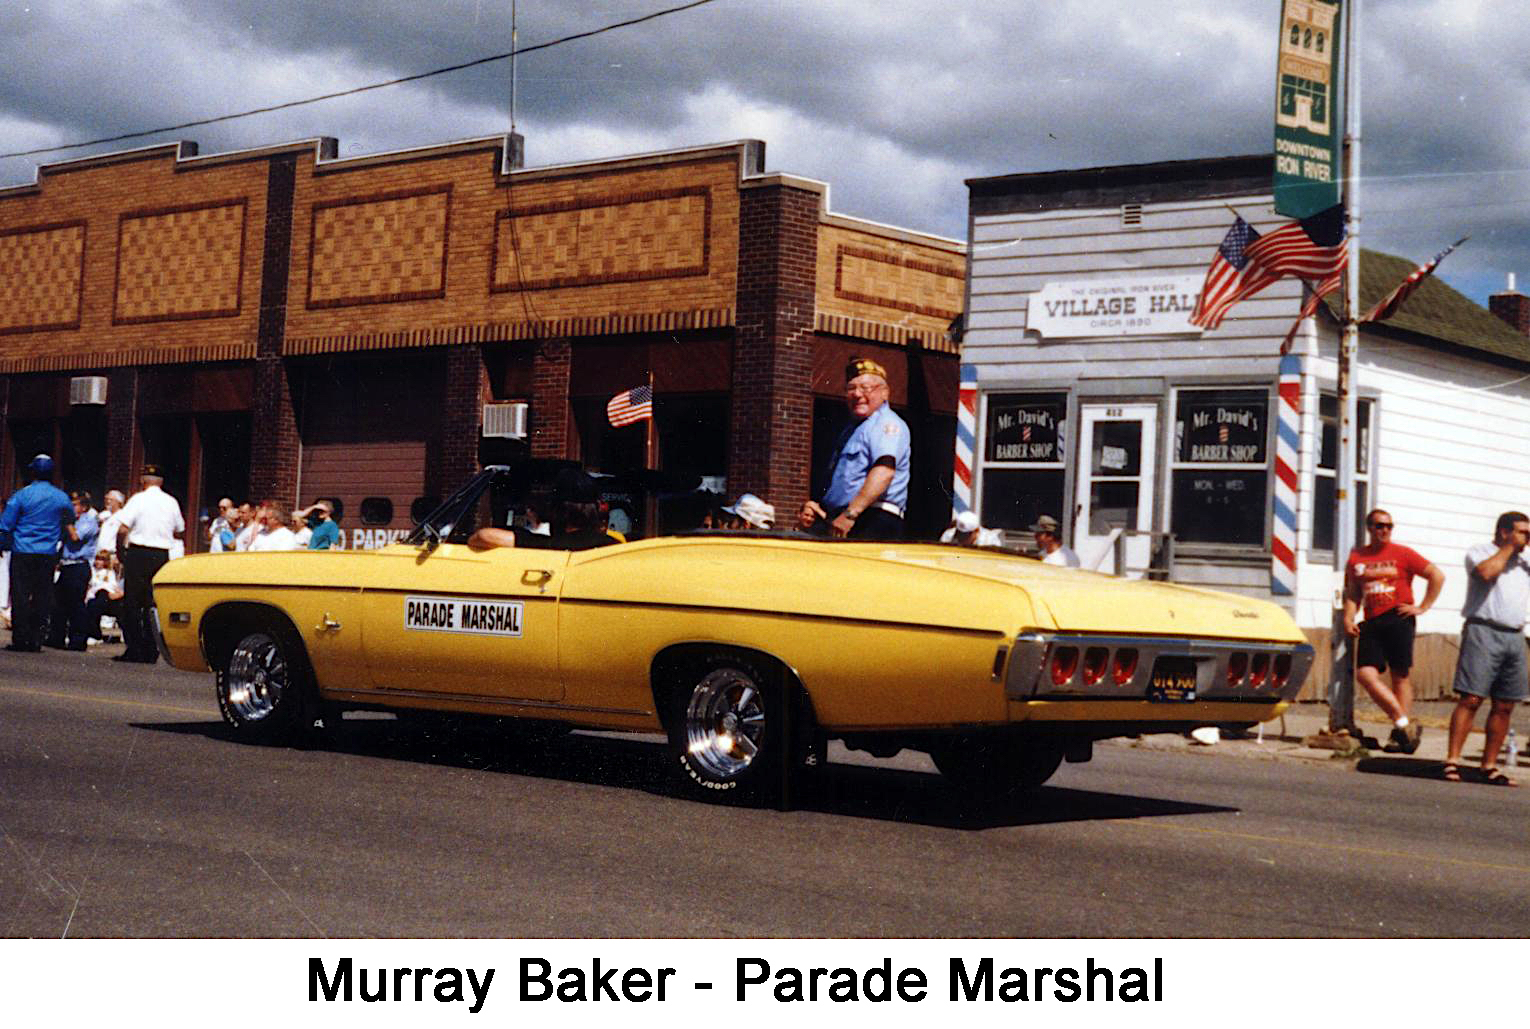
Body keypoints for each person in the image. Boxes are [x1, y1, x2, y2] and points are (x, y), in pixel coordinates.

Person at [1343, 508, 1445, 753]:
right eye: (1379, 526)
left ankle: (1398, 735)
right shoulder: (1357, 556)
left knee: (1400, 675)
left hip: (1398, 617)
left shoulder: (1402, 553)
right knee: (1366, 675)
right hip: (1372, 620)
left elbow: (1436, 575)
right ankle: (1405, 724)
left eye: (1389, 526)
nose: (1385, 530)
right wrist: (1348, 617)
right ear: (1369, 528)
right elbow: (1353, 592)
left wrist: (1422, 606)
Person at [1442, 511, 1530, 785]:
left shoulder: (1525, 562)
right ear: (1504, 532)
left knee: (1505, 704)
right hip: (1484, 630)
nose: (1527, 538)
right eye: (1522, 532)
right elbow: (1486, 573)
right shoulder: (1480, 552)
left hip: (1514, 634)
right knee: (1471, 698)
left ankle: (1489, 765)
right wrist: (1508, 549)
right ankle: (1453, 760)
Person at [798, 357, 910, 541]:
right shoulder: (854, 429)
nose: (857, 394)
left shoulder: (886, 424)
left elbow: (884, 472)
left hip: (871, 519)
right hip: (847, 518)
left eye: (866, 388)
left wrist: (850, 514)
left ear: (885, 393)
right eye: (851, 388)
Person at [0, 455, 75, 652]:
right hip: (47, 552)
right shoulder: (61, 497)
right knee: (43, 595)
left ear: (33, 472)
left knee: (20, 595)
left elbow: (6, 525)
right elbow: (69, 523)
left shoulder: (22, 495)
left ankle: (20, 638)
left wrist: (3, 545)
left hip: (23, 550)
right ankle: (36, 639)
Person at [114, 463, 185, 663]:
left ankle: (135, 648)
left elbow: (122, 528)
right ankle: (151, 648)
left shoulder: (138, 499)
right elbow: (179, 528)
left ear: (143, 481)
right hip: (161, 554)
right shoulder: (171, 502)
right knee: (152, 602)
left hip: (139, 553)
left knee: (133, 603)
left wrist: (120, 550)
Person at [469, 468, 619, 552]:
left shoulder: (544, 546)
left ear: (555, 510)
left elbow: (483, 536)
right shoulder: (612, 547)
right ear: (597, 510)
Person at [46, 490, 99, 650]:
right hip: (66, 565)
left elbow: (76, 538)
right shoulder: (73, 520)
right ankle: (56, 637)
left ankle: (78, 640)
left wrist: (67, 523)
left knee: (76, 604)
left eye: (74, 505)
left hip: (79, 565)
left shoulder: (89, 522)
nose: (71, 507)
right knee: (58, 603)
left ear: (83, 507)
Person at [75, 549, 124, 648]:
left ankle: (95, 635)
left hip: (105, 595)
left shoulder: (108, 573)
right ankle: (93, 633)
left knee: (98, 600)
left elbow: (112, 586)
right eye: (97, 559)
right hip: (92, 596)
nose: (98, 562)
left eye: (101, 560)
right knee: (92, 604)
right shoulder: (91, 571)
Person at [96, 489, 126, 557]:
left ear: (119, 502)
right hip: (98, 552)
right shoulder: (103, 514)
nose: (108, 502)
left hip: (111, 553)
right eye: (106, 499)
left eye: (111, 500)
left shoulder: (123, 515)